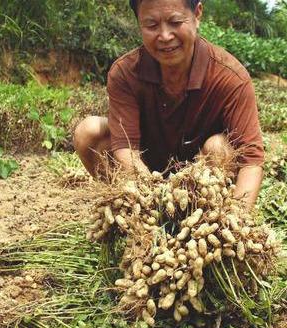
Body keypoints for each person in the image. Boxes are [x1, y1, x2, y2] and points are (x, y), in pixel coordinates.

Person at [73, 0, 264, 207]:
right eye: (151, 25)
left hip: (203, 181)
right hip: (145, 174)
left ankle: (205, 213)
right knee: (89, 131)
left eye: (175, 22)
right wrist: (152, 201)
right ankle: (130, 211)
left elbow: (251, 160)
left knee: (219, 147)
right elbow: (125, 148)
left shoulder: (230, 76)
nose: (165, 36)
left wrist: (239, 220)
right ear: (139, 23)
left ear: (197, 14)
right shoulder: (125, 73)